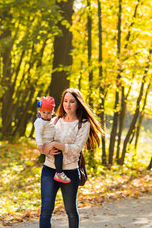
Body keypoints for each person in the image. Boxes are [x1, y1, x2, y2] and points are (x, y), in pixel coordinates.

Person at [38, 88, 104, 228]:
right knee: (46, 211)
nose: (68, 105)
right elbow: (43, 143)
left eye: (72, 101)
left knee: (71, 211)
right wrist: (48, 150)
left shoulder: (83, 123)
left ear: (78, 104)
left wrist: (56, 144)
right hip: (49, 170)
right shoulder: (55, 120)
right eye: (65, 101)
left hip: (70, 172)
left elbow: (75, 150)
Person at [34, 96, 71, 183]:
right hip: (46, 143)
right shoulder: (40, 121)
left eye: (49, 113)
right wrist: (40, 144)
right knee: (58, 153)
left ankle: (59, 172)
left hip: (50, 141)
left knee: (57, 153)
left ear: (52, 113)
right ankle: (59, 173)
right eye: (44, 112)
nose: (46, 114)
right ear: (40, 111)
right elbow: (38, 133)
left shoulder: (48, 121)